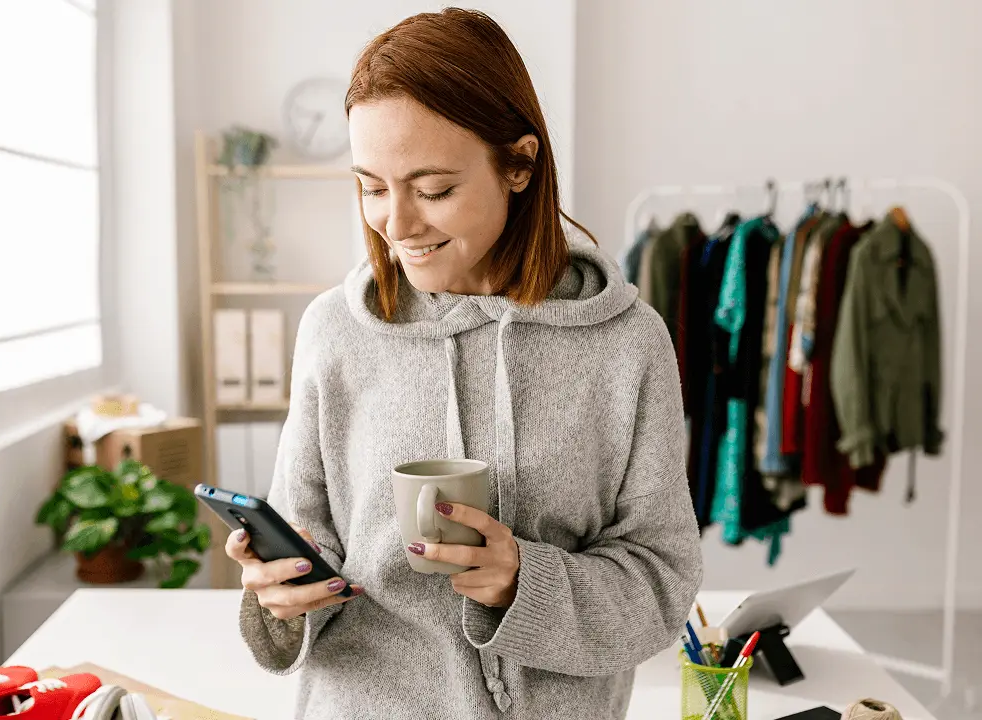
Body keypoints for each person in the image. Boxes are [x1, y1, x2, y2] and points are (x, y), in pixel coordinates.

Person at [224, 8, 702, 719]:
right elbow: (308, 543)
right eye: (372, 186)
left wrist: (522, 582)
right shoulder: (335, 331)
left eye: (434, 188)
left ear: (519, 163)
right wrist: (283, 594)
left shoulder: (627, 343)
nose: (396, 224)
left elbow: (660, 584)